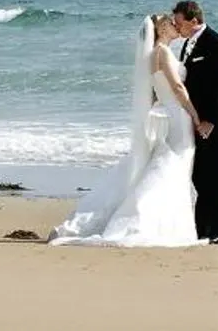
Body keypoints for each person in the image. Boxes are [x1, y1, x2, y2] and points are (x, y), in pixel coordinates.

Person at [49, 13, 203, 247]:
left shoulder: (156, 54)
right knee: (174, 165)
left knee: (170, 164)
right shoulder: (161, 52)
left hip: (172, 115)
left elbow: (155, 93)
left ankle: (162, 219)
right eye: (170, 23)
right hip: (179, 116)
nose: (175, 24)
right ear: (161, 29)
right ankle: (151, 219)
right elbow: (177, 87)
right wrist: (195, 114)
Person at [168, 0, 218, 244]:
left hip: (213, 125)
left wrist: (210, 121)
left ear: (193, 21)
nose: (177, 27)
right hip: (195, 123)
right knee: (200, 178)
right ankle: (203, 229)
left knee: (217, 178)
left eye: (179, 22)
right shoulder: (188, 45)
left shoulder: (217, 44)